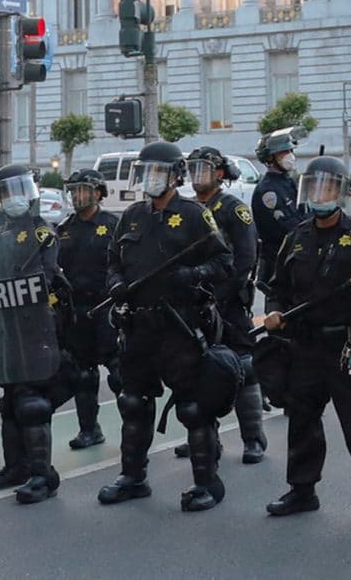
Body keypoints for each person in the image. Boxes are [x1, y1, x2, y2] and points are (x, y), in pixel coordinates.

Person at [96, 141, 239, 512]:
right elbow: (113, 260)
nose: (151, 180)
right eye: (145, 173)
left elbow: (225, 261)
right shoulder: (132, 216)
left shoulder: (193, 215)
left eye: (158, 173)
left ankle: (206, 483)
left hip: (179, 325)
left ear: (176, 176)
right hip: (138, 326)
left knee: (193, 407)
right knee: (133, 403)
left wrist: (193, 275)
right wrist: (114, 283)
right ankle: (133, 477)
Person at [262, 156, 351, 527]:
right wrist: (272, 313)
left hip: (346, 345)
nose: (320, 195)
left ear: (341, 192)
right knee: (302, 419)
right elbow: (277, 288)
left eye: (328, 188)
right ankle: (303, 490)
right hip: (305, 345)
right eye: (315, 188)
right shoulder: (296, 236)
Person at [0, 164, 64, 504]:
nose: (13, 199)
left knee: (32, 402)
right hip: (7, 328)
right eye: (6, 193)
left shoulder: (41, 232)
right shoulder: (4, 235)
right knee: (9, 401)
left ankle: (43, 475)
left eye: (18, 191)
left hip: (35, 325)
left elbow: (46, 277)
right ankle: (16, 467)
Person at [175, 147, 266, 464]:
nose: (198, 175)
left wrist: (222, 295)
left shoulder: (232, 208)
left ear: (220, 173)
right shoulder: (185, 210)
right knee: (196, 368)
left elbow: (245, 258)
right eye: (193, 169)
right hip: (194, 303)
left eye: (205, 169)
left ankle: (253, 438)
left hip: (227, 302)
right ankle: (203, 436)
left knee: (242, 366)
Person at [53, 169, 121, 450]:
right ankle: (89, 429)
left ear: (98, 193)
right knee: (82, 373)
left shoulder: (113, 224)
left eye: (83, 190)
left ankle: (135, 426)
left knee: (119, 373)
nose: (77, 196)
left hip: (107, 307)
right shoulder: (65, 228)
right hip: (76, 310)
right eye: (74, 191)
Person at [252, 127, 306, 289]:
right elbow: (291, 226)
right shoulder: (268, 190)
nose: (290, 155)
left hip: (295, 260)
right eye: (284, 152)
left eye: (290, 150)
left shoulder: (287, 181)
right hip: (279, 265)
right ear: (270, 157)